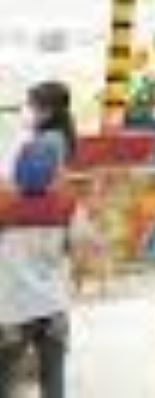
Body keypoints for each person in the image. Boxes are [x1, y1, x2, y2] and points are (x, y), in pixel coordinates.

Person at [0, 136, 89, 398]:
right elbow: (81, 249)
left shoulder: (4, 208)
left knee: (5, 378)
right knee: (53, 378)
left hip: (11, 310)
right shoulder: (68, 207)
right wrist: (77, 279)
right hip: (54, 308)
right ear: (54, 172)